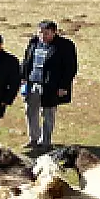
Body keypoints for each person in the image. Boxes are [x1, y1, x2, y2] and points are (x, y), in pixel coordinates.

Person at [21, 20, 77, 151]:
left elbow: (70, 68)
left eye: (46, 33)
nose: (43, 36)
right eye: (40, 32)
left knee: (48, 113)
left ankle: (46, 141)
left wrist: (63, 86)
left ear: (54, 32)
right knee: (30, 111)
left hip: (51, 85)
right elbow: (27, 60)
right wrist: (23, 77)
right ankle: (33, 139)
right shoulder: (34, 42)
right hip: (32, 82)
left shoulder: (65, 45)